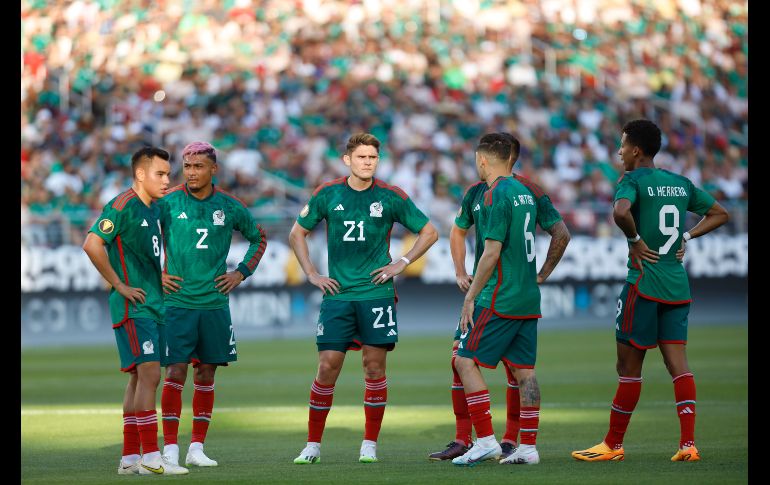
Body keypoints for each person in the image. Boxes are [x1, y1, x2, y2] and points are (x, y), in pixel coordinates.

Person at [571, 119, 729, 462]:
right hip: (677, 285)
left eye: (622, 146)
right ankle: (688, 444)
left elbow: (620, 211)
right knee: (679, 365)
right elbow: (720, 213)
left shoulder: (632, 180)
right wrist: (686, 236)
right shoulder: (680, 183)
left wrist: (635, 239)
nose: (619, 152)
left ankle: (612, 445)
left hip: (643, 284)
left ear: (637, 150)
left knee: (628, 369)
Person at [290, 133, 439, 464]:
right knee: (327, 366)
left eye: (372, 157)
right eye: (361, 157)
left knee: (374, 368)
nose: (367, 162)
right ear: (347, 160)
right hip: (338, 295)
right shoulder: (328, 193)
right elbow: (297, 233)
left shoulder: (390, 196)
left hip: (376, 294)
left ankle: (369, 444)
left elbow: (430, 232)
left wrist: (402, 262)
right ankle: (312, 445)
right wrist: (312, 273)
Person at [429, 133, 570, 461]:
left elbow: (491, 251)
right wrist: (541, 275)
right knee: (525, 371)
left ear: (483, 160)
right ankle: (527, 447)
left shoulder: (496, 194)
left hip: (496, 295)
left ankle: (486, 439)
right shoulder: (526, 192)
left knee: (463, 359)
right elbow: (562, 233)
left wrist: (470, 296)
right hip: (527, 297)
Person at [157, 141, 268, 468]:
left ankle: (197, 448)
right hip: (177, 302)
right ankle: (170, 449)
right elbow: (138, 238)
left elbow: (259, 238)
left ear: (213, 169)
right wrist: (154, 274)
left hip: (214, 304)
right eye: (187, 166)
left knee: (206, 374)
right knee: (175, 371)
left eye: (198, 167)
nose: (191, 172)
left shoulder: (229, 206)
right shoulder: (167, 202)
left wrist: (241, 272)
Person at [82, 147, 188, 475]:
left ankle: (130, 458)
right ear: (140, 174)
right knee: (151, 375)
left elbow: (141, 256)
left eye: (168, 174)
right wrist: (119, 284)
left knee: (138, 378)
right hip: (134, 305)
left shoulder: (153, 209)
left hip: (152, 303)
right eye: (160, 174)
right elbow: (92, 244)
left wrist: (158, 277)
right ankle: (152, 457)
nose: (166, 180)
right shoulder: (122, 205)